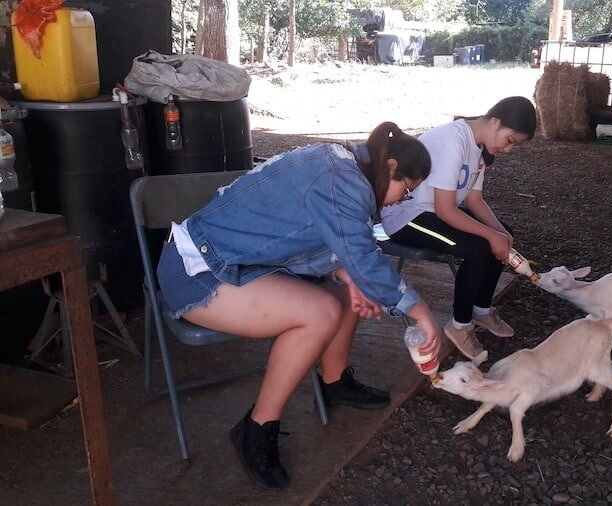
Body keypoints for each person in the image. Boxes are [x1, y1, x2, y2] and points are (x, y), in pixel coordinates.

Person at [156, 122, 442, 490]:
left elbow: (302, 235)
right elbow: (365, 259)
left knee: (351, 291)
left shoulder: (344, 163)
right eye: (406, 190)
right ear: (390, 169)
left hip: (239, 262)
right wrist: (419, 313)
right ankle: (256, 428)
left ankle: (334, 382)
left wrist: (347, 272)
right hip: (197, 271)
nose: (402, 201)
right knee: (320, 313)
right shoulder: (345, 182)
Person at [380, 96, 537, 359]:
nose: (509, 149)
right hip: (407, 215)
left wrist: (501, 233)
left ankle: (481, 309)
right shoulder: (453, 140)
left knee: (500, 236)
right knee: (478, 247)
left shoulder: (480, 148)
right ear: (495, 122)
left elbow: (474, 199)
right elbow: (445, 210)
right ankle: (459, 325)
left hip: (435, 212)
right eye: (510, 141)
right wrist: (491, 235)